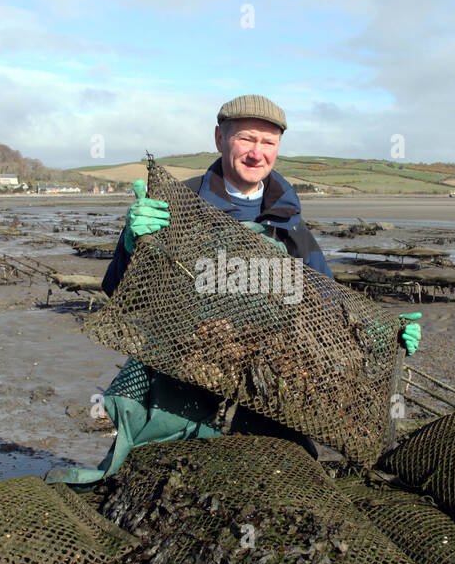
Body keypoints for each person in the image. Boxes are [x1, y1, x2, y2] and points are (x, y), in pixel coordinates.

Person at [50, 95, 420, 484]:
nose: (257, 153)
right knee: (151, 483)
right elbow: (119, 292)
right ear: (219, 138)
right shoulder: (177, 205)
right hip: (177, 384)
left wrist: (384, 335)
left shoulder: (290, 225)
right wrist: (131, 241)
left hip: (265, 392)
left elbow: (329, 308)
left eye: (268, 143)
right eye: (246, 139)